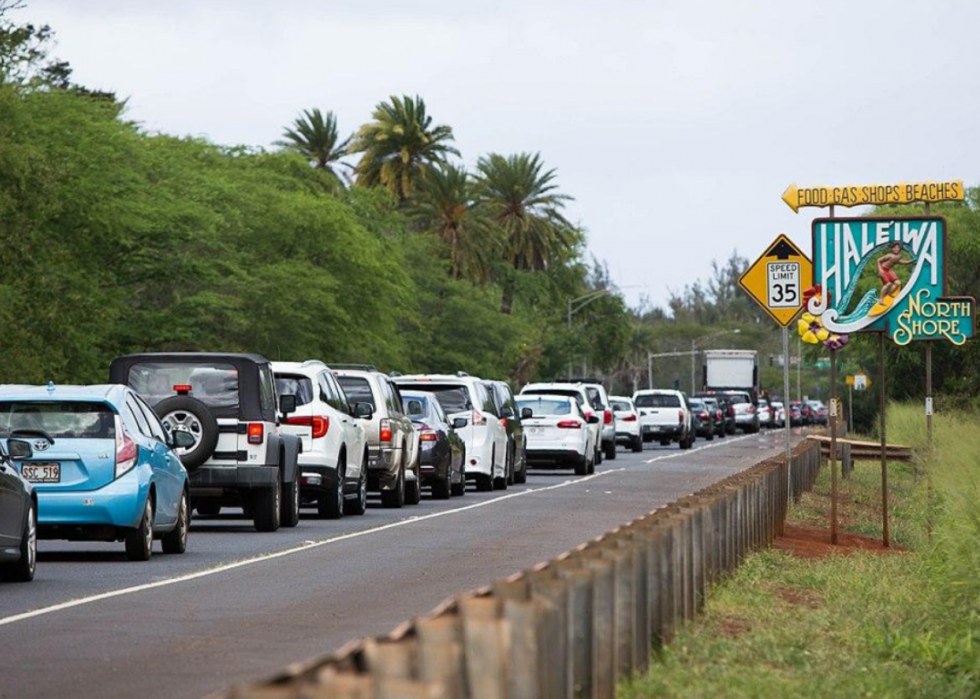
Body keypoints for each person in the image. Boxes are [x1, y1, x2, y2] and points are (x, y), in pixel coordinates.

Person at [869, 242, 913, 317]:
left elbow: (900, 262)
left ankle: (889, 293)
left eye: (897, 248)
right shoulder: (889, 255)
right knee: (888, 284)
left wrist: (910, 261)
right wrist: (880, 270)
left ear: (900, 249)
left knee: (898, 283)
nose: (896, 249)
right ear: (892, 248)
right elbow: (878, 260)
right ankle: (881, 300)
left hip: (888, 270)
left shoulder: (898, 256)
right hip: (883, 269)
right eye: (894, 248)